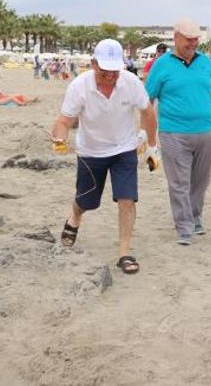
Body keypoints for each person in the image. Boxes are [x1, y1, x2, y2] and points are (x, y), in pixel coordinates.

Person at [51, 39, 160, 274]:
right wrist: (60, 138)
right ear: (93, 64)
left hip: (124, 149)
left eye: (115, 70)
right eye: (104, 70)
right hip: (91, 151)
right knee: (87, 201)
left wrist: (151, 145)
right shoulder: (79, 86)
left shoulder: (130, 82)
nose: (110, 76)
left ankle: (124, 252)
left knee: (127, 199)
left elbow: (148, 112)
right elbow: (64, 121)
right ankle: (74, 218)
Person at [145, 20, 211, 244]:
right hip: (174, 133)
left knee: (200, 182)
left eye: (196, 39)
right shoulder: (161, 65)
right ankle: (184, 227)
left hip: (207, 131)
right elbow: (147, 100)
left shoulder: (205, 62)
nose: (193, 43)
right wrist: (146, 135)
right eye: (189, 39)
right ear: (176, 37)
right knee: (179, 183)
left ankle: (195, 218)